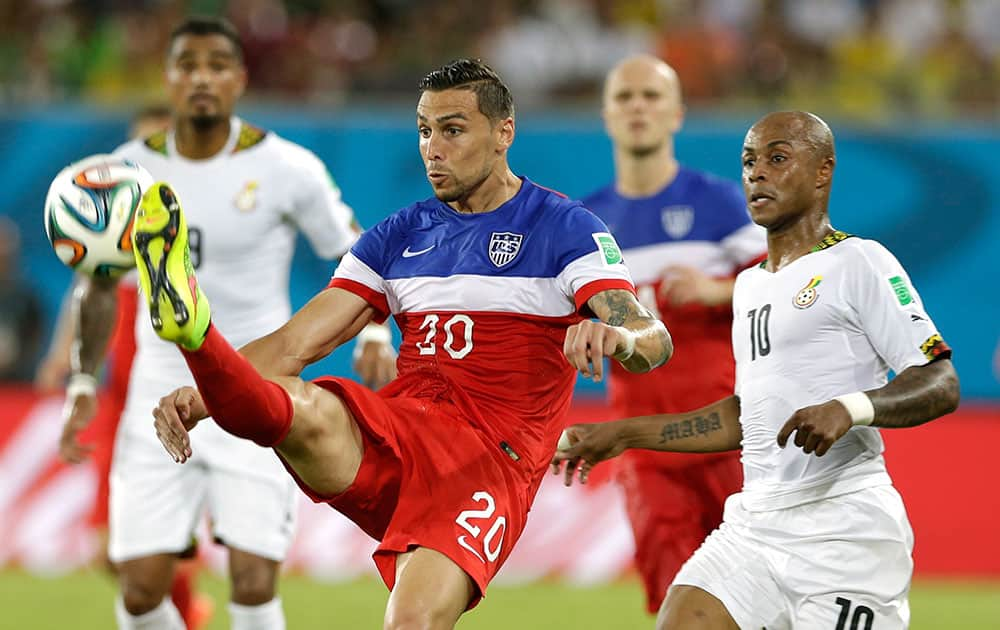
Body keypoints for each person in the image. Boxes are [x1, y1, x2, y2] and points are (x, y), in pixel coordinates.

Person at [139, 58, 673, 629]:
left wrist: (614, 334)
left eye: (452, 129)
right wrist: (199, 396)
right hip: (403, 429)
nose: (433, 148)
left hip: (488, 464)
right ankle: (196, 337)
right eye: (424, 130)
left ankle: (199, 340)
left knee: (411, 622)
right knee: (303, 408)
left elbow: (653, 339)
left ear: (503, 133)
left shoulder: (564, 227)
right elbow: (296, 342)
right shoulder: (398, 236)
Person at [554, 111, 960, 629]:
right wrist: (623, 433)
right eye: (749, 162)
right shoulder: (749, 288)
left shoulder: (861, 262)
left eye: (777, 157)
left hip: (844, 529)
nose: (757, 173)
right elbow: (749, 417)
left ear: (822, 171)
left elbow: (940, 381)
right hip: (756, 525)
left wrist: (850, 408)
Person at [59, 17, 395, 630]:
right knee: (139, 589)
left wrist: (374, 328)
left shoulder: (287, 167)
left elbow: (352, 250)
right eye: (188, 65)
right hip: (154, 392)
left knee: (253, 578)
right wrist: (83, 381)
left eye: (217, 66)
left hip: (253, 383)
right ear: (169, 78)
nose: (202, 79)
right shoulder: (123, 173)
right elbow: (98, 287)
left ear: (240, 79)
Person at [581, 54, 766, 614]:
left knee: (757, 599)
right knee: (675, 605)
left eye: (652, 96)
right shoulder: (586, 222)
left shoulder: (718, 202)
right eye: (625, 97)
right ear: (607, 115)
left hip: (728, 434)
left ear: (677, 114)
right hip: (645, 445)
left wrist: (717, 290)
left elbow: (787, 290)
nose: (638, 106)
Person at [38, 103, 216, 630]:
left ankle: (185, 609)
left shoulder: (196, 221)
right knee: (107, 550)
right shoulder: (116, 225)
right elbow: (87, 287)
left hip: (178, 397)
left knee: (149, 545)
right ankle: (188, 613)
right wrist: (66, 361)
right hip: (122, 395)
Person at [0, 216, 44, 382]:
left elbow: (33, 346)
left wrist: (12, 358)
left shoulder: (27, 300)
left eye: (6, 253)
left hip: (17, 387)